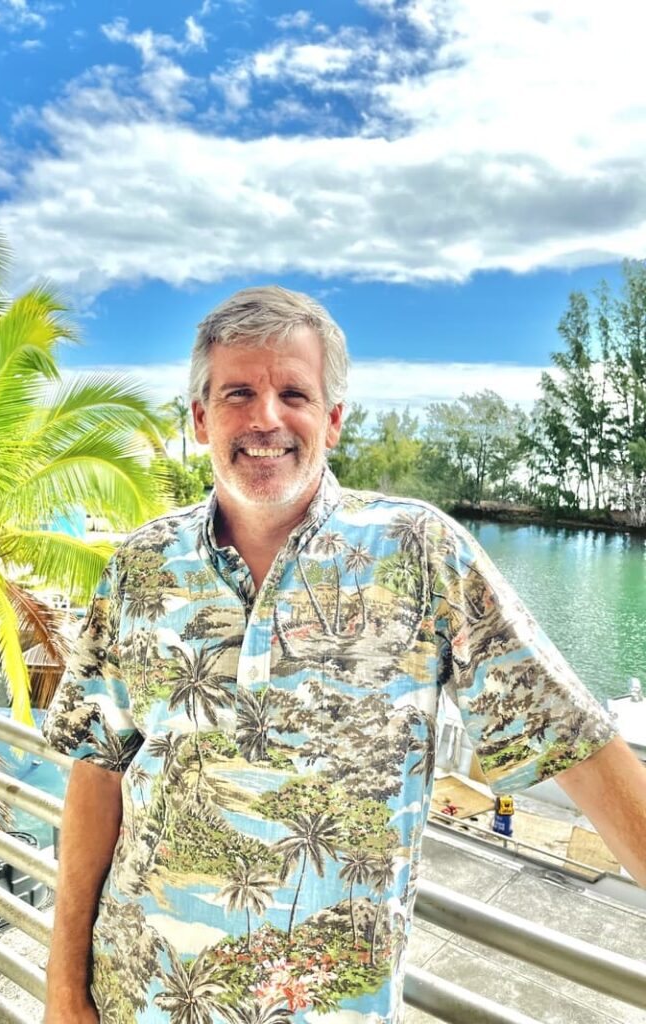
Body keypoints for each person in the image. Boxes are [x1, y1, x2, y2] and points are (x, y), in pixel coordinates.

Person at [42, 286, 646, 1024]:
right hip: (137, 995)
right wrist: (64, 987)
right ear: (200, 419)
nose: (266, 417)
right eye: (238, 392)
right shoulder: (139, 566)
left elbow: (572, 739)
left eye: (293, 392)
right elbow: (96, 770)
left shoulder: (420, 553)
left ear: (332, 419)